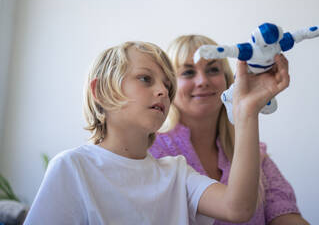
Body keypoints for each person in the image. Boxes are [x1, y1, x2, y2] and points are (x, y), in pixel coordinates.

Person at [24, 40, 290, 225]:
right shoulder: (73, 167)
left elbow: (239, 208)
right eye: (145, 79)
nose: (163, 91)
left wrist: (247, 111)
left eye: (167, 84)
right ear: (101, 91)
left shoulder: (177, 172)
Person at [150, 35, 310, 225]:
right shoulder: (151, 152)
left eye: (212, 70)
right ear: (168, 86)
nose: (202, 81)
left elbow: (285, 215)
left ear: (227, 80)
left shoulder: (255, 154)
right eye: (188, 72)